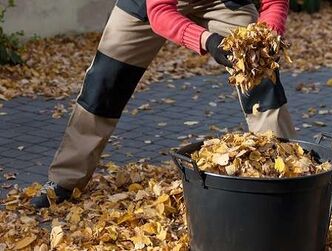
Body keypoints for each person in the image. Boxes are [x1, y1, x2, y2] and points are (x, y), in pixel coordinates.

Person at [31, 0, 296, 208]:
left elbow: (274, 3)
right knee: (104, 80)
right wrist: (208, 41)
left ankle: (289, 180)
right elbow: (159, 11)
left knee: (260, 74)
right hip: (149, 5)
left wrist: (267, 37)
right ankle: (65, 180)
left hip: (223, 2)